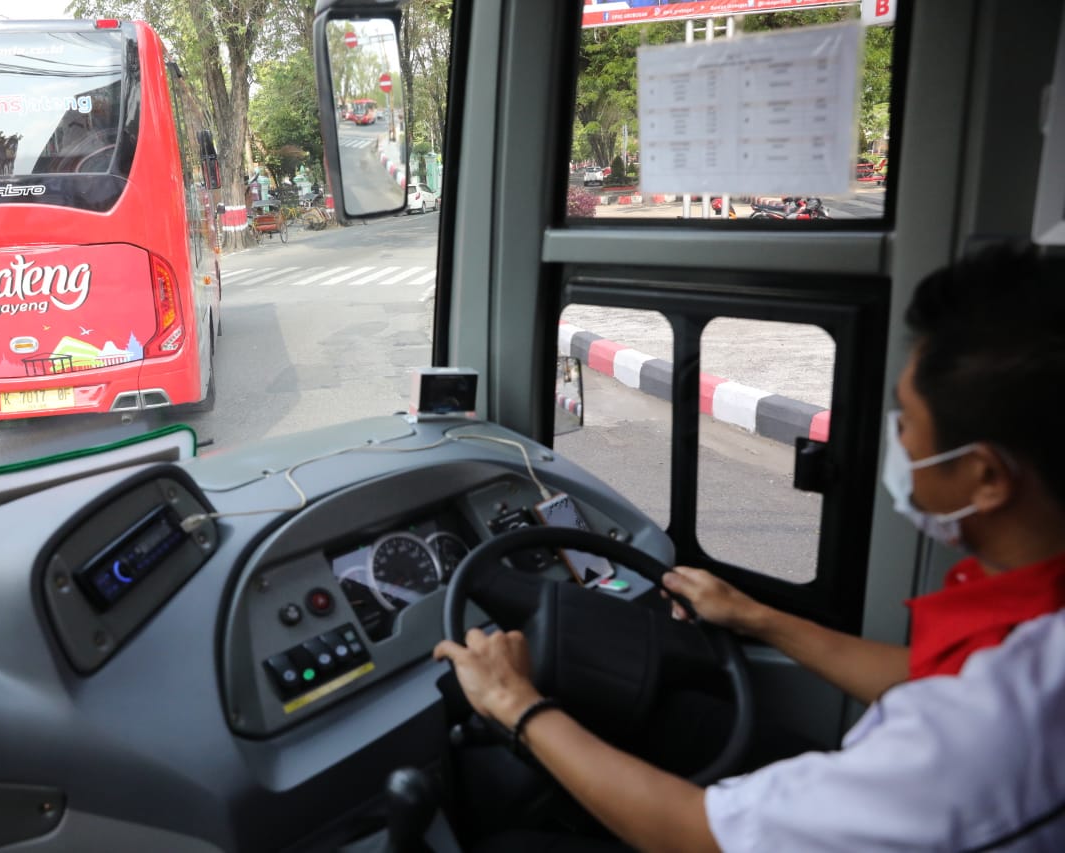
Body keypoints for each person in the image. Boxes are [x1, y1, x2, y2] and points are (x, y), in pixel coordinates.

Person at [434, 244, 1065, 852]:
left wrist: (513, 704)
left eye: (906, 422)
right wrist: (755, 615)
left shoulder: (978, 736)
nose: (896, 445)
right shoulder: (1030, 636)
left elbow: (698, 836)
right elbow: (925, 676)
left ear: (985, 477)